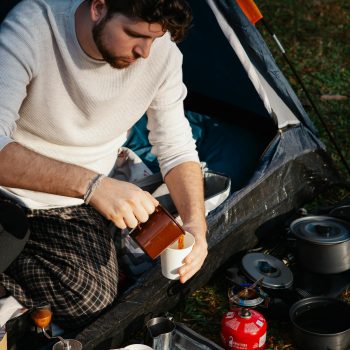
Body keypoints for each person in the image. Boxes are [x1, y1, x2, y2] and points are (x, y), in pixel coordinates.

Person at [0, 0, 208, 328]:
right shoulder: (33, 27)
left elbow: (176, 148)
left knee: (93, 300)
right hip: (9, 187)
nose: (146, 52)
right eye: (134, 35)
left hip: (70, 206)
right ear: (99, 7)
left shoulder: (161, 54)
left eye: (155, 39)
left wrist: (197, 224)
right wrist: (94, 185)